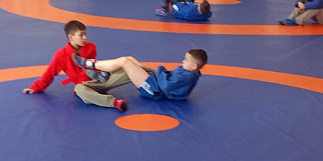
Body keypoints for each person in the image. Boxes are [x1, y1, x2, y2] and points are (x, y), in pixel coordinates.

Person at [23, 20, 145, 112]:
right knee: (79, 90)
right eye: (81, 35)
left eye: (85, 34)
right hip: (85, 85)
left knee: (128, 66)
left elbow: (94, 69)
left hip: (102, 79)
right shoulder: (60, 55)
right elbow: (49, 74)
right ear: (70, 37)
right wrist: (35, 87)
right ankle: (114, 102)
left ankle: (152, 75)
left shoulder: (91, 47)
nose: (85, 38)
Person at [72, 48, 208, 101]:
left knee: (125, 61)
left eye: (186, 60)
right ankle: (103, 72)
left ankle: (89, 64)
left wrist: (160, 70)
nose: (182, 61)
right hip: (154, 81)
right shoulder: (188, 71)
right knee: (130, 59)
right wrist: (160, 72)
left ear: (194, 66)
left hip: (153, 89)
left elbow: (166, 86)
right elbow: (170, 78)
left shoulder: (187, 77)